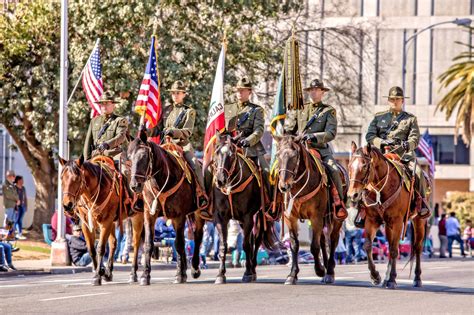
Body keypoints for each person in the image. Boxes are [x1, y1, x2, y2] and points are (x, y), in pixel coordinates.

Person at [285, 78, 347, 220]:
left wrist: (313, 137)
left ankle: (338, 202)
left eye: (317, 90)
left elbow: (331, 133)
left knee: (334, 170)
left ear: (322, 92)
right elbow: (290, 129)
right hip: (300, 150)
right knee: (281, 169)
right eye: (311, 90)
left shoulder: (328, 111)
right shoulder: (300, 109)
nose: (314, 92)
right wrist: (285, 128)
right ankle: (276, 203)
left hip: (320, 150)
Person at [365, 86, 430, 221]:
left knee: (417, 172)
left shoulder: (410, 119)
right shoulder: (379, 117)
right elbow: (370, 135)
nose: (395, 101)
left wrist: (408, 144)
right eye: (392, 99)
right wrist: (381, 142)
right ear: (388, 100)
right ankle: (361, 208)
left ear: (402, 101)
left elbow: (414, 138)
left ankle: (421, 202)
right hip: (382, 156)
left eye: (398, 99)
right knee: (363, 171)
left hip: (403, 157)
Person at [83, 91, 142, 213]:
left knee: (126, 172)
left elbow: (121, 137)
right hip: (96, 156)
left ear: (113, 105)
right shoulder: (94, 121)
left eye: (107, 104)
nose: (104, 106)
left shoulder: (120, 120)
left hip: (115, 154)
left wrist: (107, 144)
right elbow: (88, 142)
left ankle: (132, 201)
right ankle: (80, 209)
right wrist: (85, 160)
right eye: (102, 104)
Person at [162, 80, 210, 218]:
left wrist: (173, 132)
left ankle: (202, 194)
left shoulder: (189, 111)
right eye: (173, 93)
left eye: (178, 93)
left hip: (183, 145)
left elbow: (188, 131)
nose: (175, 95)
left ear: (184, 94)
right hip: (168, 144)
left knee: (195, 164)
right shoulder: (169, 111)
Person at [228, 76, 272, 198]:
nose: (240, 92)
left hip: (251, 148)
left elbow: (259, 131)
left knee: (266, 172)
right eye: (238, 90)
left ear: (249, 92)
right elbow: (224, 129)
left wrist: (247, 141)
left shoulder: (256, 110)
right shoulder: (229, 109)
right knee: (215, 170)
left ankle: (271, 203)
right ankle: (209, 202)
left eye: (243, 90)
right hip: (231, 146)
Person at [14, 175, 27, 240]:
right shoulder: (14, 188)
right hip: (16, 206)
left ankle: (19, 233)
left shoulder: (23, 188)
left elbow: (25, 197)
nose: (23, 181)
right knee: (14, 220)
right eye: (22, 180)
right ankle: (11, 234)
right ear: (18, 180)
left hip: (22, 206)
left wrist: (26, 206)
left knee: (19, 220)